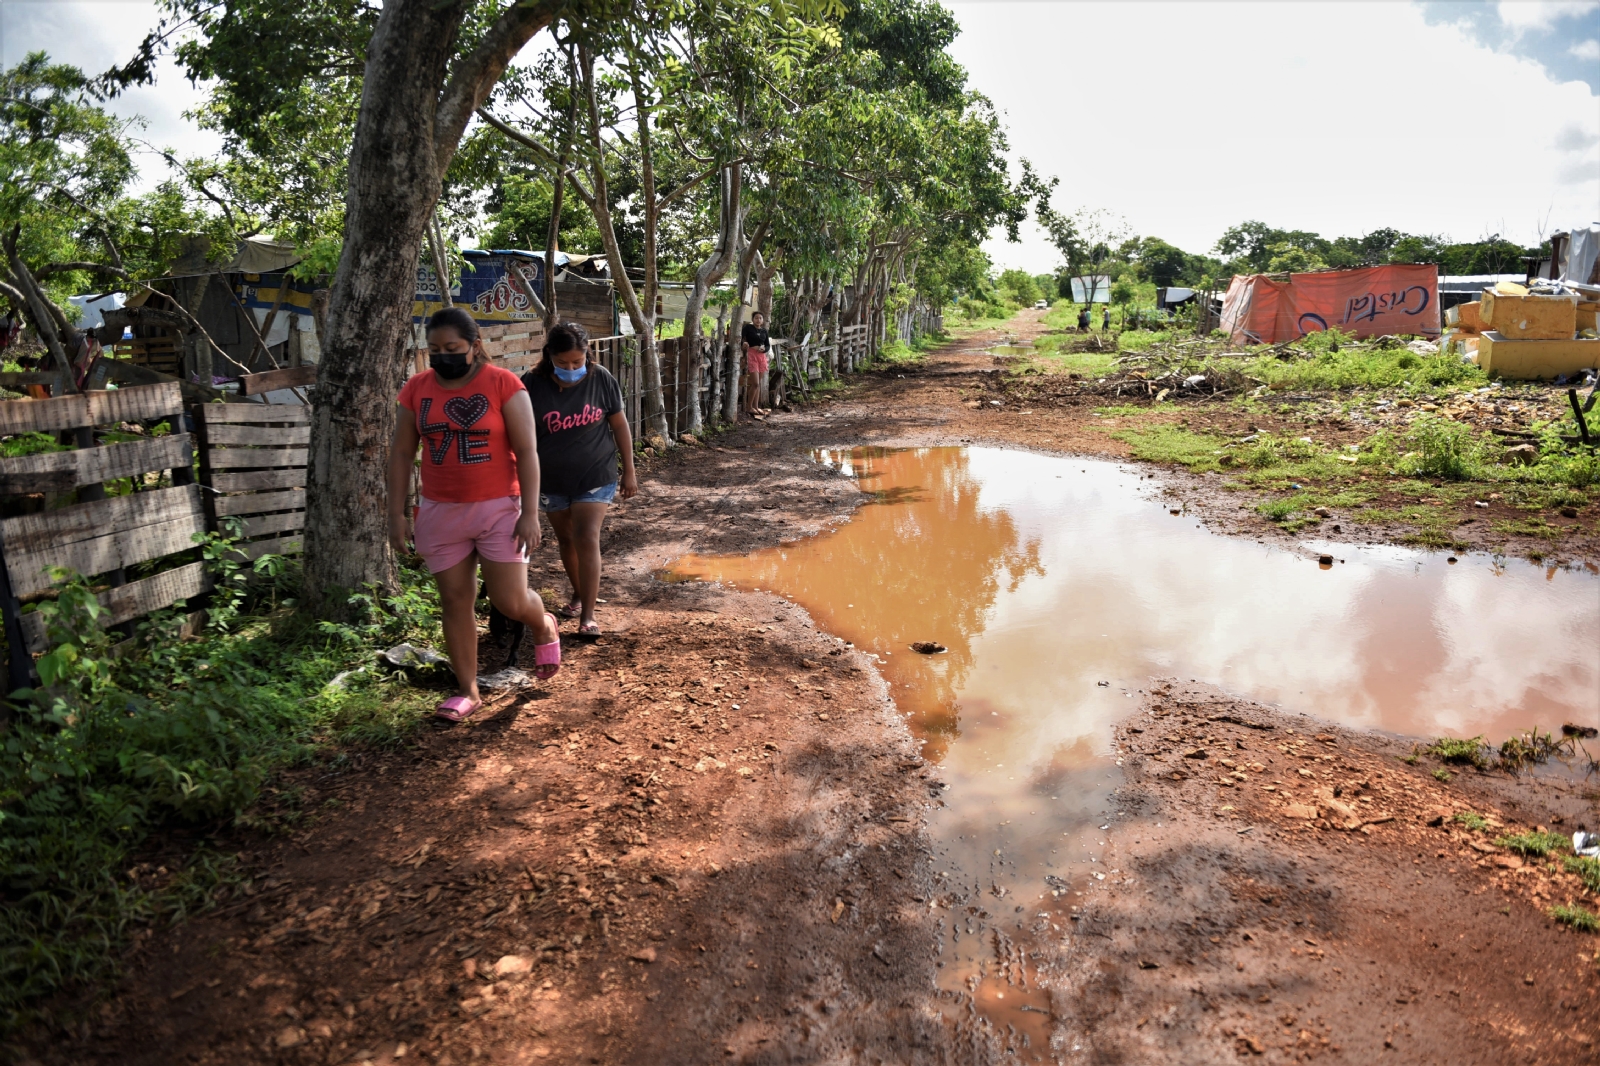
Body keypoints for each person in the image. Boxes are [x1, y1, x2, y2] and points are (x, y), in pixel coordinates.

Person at [388, 307, 562, 723]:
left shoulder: (504, 384)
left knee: (510, 600)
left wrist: (530, 512)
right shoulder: (416, 389)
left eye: (452, 348)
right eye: (434, 349)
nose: (442, 356)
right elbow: (400, 454)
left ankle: (543, 624)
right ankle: (467, 689)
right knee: (455, 601)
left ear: (474, 346)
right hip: (440, 512)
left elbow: (527, 452)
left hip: (500, 508)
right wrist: (395, 513)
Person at [522, 322, 638, 639]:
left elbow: (619, 425)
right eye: (564, 363)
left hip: (596, 474)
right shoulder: (531, 384)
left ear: (587, 353)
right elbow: (519, 433)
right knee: (566, 540)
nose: (573, 368)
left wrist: (628, 469)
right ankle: (578, 593)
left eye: (578, 361)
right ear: (550, 356)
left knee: (586, 535)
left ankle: (588, 615)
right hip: (550, 480)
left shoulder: (601, 378)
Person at [741, 311, 771, 416]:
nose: (758, 320)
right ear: (753, 319)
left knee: (758, 384)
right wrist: (744, 343)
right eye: (756, 318)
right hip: (752, 354)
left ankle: (756, 407)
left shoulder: (764, 331)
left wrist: (764, 349)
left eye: (760, 318)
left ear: (762, 320)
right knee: (755, 383)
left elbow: (768, 345)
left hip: (761, 356)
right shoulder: (747, 328)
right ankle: (749, 407)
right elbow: (741, 338)